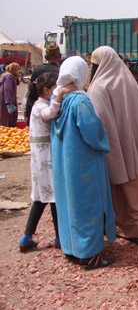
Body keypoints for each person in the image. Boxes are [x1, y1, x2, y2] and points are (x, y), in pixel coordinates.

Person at [88, 46, 138, 245]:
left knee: (122, 191)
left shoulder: (99, 87)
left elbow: (99, 121)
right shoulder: (128, 80)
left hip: (118, 146)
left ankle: (129, 229)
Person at [50, 56, 116, 270]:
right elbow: (92, 132)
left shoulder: (57, 100)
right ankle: (89, 255)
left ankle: (72, 249)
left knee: (68, 203)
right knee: (87, 204)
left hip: (63, 162)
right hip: (83, 163)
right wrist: (102, 128)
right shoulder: (80, 101)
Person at [18, 72, 76, 252]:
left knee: (43, 198)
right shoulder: (40, 107)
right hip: (45, 159)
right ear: (45, 89)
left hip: (41, 159)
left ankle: (28, 236)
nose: (56, 92)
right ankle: (59, 237)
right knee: (52, 197)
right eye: (53, 89)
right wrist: (61, 95)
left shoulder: (37, 105)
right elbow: (50, 113)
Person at [0, 63, 20, 127]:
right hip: (7, 99)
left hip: (5, 98)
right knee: (7, 116)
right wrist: (8, 102)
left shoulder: (6, 75)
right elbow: (7, 89)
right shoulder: (9, 77)